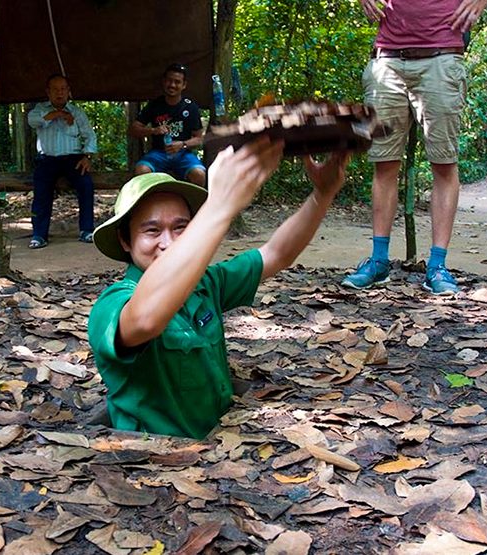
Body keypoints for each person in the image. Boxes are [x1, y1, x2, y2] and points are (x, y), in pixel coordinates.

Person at [88, 139, 351, 439]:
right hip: (155, 468)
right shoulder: (112, 305)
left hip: (221, 454)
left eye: (181, 228)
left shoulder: (206, 283)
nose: (168, 243)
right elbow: (146, 319)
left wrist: (323, 193)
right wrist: (220, 205)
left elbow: (277, 254)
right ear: (125, 240)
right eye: (152, 230)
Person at [342, 0, 487, 295]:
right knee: (384, 163)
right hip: (387, 61)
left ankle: (437, 266)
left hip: (442, 58)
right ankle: (379, 261)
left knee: (444, 164)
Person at [27, 74, 98, 248]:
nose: (59, 93)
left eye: (63, 89)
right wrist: (56, 114)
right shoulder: (39, 109)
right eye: (55, 89)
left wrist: (87, 156)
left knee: (86, 185)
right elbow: (32, 121)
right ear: (48, 92)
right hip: (47, 159)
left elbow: (90, 136)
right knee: (41, 192)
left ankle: (87, 230)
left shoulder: (77, 112)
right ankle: (39, 235)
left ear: (68, 91)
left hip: (72, 159)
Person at [129, 63, 206, 188]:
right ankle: (149, 206)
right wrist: (153, 130)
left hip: (183, 154)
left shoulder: (190, 107)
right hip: (158, 153)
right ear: (164, 82)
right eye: (169, 81)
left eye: (177, 82)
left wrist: (182, 144)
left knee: (199, 174)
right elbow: (133, 129)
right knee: (141, 171)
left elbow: (199, 138)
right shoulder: (155, 105)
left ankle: (194, 207)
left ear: (184, 85)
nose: (172, 85)